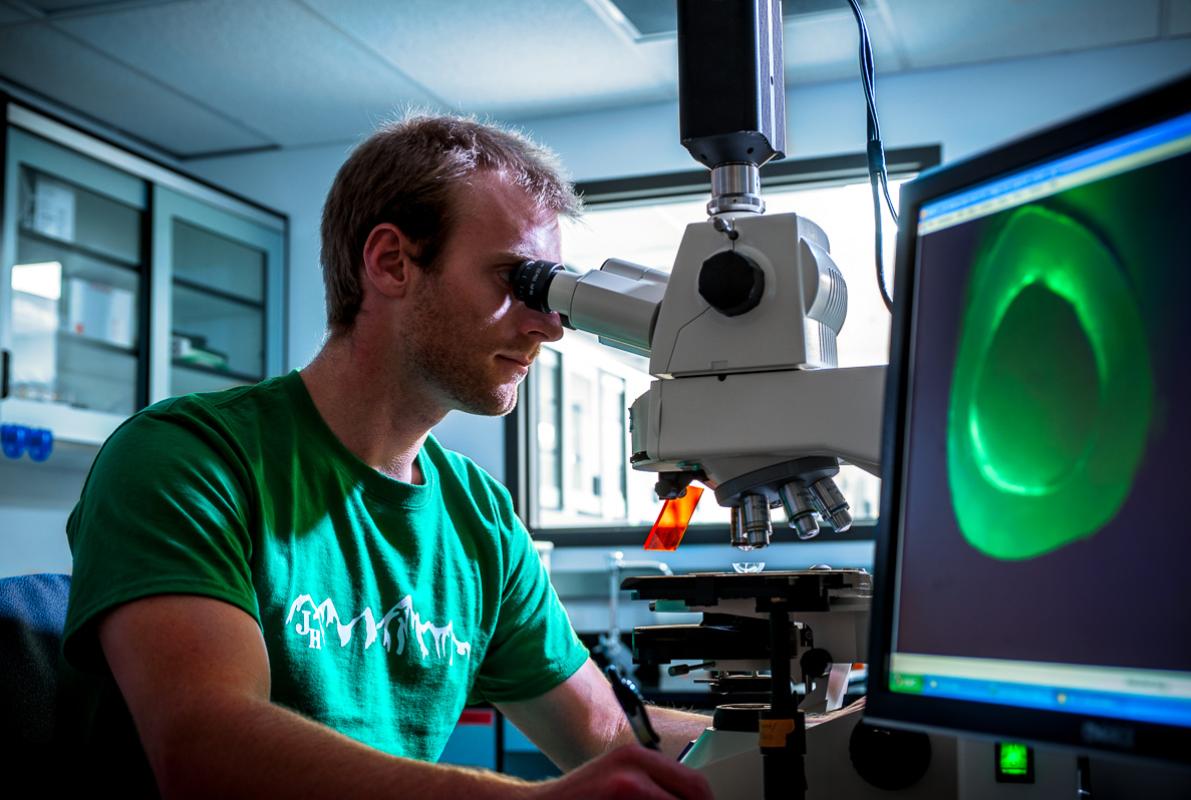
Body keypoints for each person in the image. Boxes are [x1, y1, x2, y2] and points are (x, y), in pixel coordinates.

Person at [60, 115, 714, 799]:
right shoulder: (187, 458)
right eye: (515, 280)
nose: (547, 324)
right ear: (391, 263)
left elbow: (609, 733)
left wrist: (820, 741)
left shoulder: (477, 515)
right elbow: (206, 751)